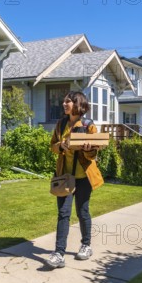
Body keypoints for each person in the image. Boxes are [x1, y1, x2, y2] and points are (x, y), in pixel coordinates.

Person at [45, 91, 98, 269]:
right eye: (64, 101)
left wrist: (88, 149)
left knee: (82, 212)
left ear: (78, 104)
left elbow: (93, 154)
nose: (64, 104)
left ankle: (86, 245)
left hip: (84, 178)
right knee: (63, 214)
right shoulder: (61, 124)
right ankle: (59, 253)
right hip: (65, 177)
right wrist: (60, 146)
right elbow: (52, 146)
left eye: (68, 101)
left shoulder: (88, 125)